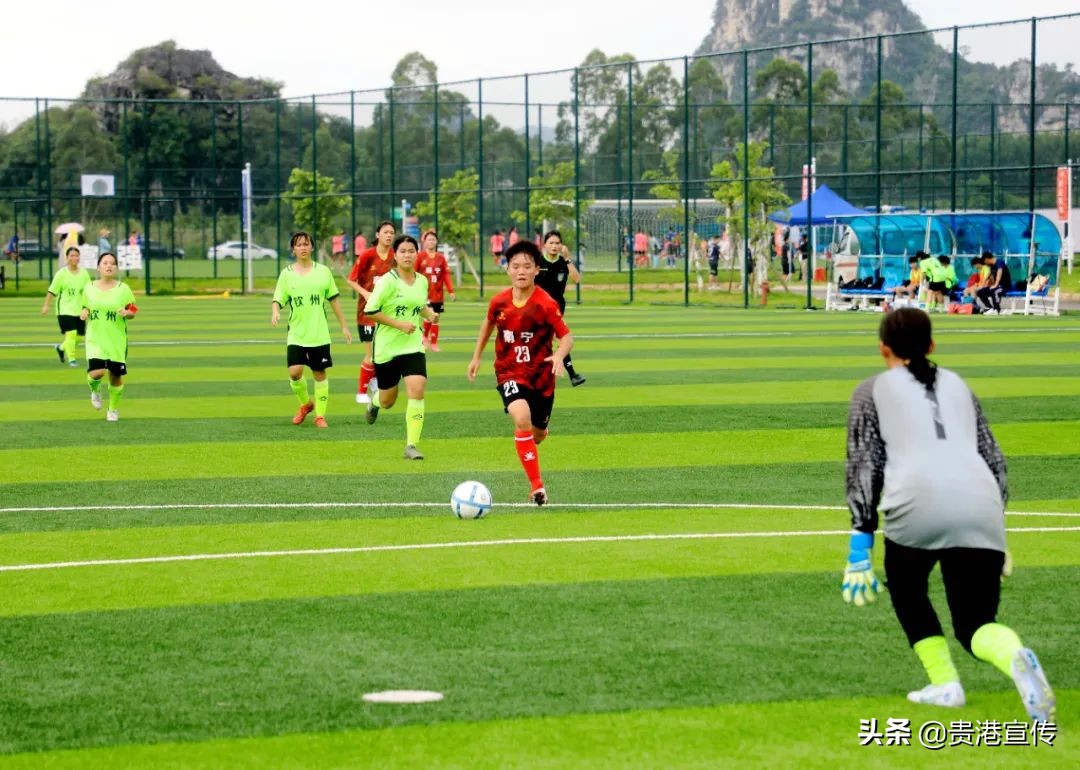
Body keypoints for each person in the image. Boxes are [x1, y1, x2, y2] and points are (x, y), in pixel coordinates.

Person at [842, 308, 1055, 723]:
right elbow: (994, 460)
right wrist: (996, 532)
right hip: (981, 508)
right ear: (932, 345)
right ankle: (1014, 654)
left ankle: (945, 684)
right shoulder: (959, 385)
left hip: (914, 507)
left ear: (883, 349)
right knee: (976, 623)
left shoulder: (871, 391)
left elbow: (865, 465)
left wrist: (860, 542)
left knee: (908, 590)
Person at [467, 240, 573, 505]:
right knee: (521, 417)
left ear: (537, 269)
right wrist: (476, 356)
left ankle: (541, 430)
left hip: (541, 377)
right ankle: (537, 487)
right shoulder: (499, 301)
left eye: (527, 266)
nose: (521, 271)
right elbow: (488, 323)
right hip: (509, 372)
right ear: (507, 269)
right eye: (515, 266)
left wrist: (559, 355)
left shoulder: (545, 303)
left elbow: (566, 336)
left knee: (537, 434)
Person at [362, 234, 438, 460]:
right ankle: (375, 401)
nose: (407, 255)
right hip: (387, 348)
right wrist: (399, 325)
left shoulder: (422, 281)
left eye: (411, 251)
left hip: (413, 346)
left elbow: (417, 306)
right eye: (402, 251)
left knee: (417, 389)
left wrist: (428, 314)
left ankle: (411, 445)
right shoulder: (387, 281)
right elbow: (370, 311)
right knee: (388, 401)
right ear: (394, 255)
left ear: (417, 254)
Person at [271, 231, 352, 428]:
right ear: (293, 249)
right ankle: (306, 404)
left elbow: (334, 300)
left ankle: (320, 416)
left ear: (312, 247)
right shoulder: (286, 274)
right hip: (296, 333)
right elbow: (278, 298)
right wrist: (275, 311)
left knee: (319, 373)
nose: (303, 248)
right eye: (299, 245)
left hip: (319, 334)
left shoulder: (323, 272)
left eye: (306, 244)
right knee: (294, 373)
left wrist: (344, 325)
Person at [80, 252, 137, 422]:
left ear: (116, 268)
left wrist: (127, 312)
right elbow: (85, 307)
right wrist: (84, 312)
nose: (109, 266)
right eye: (105, 263)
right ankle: (95, 389)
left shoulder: (123, 289)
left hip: (116, 340)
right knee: (97, 372)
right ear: (98, 267)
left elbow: (133, 309)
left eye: (112, 263)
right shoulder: (89, 287)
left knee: (115, 376)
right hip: (95, 339)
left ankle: (113, 409)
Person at [347, 221, 396, 403]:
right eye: (385, 232)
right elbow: (351, 280)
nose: (389, 235)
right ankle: (361, 392)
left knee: (384, 352)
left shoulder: (395, 256)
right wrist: (366, 293)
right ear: (377, 235)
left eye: (392, 232)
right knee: (372, 354)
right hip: (367, 313)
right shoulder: (367, 255)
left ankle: (375, 380)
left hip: (387, 312)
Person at [536, 230, 585, 387]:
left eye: (557, 243)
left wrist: (568, 258)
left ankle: (572, 375)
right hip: (538, 308)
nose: (554, 246)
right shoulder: (538, 262)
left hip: (557, 308)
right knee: (552, 340)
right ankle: (572, 375)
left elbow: (577, 279)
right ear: (544, 245)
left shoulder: (564, 262)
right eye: (551, 243)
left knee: (560, 339)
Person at [42, 246, 92, 367]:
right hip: (64, 310)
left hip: (79, 310)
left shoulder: (84, 273)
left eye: (77, 255)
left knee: (80, 337)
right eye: (71, 255)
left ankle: (61, 348)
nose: (74, 258)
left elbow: (89, 291)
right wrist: (46, 305)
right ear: (67, 258)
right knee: (71, 334)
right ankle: (72, 359)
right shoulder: (61, 274)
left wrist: (89, 307)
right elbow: (51, 291)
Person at [416, 229, 455, 352]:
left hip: (438, 294)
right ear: (424, 241)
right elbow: (414, 273)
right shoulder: (420, 256)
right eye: (429, 239)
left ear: (436, 241)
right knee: (431, 315)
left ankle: (432, 342)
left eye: (433, 239)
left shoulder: (441, 258)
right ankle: (428, 339)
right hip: (425, 294)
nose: (431, 241)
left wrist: (451, 290)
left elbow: (446, 275)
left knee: (436, 317)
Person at [977, 251, 1012, 315]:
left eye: (985, 262)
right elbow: (988, 275)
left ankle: (997, 309)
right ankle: (989, 308)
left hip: (1004, 286)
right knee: (980, 292)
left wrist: (996, 284)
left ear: (986, 259)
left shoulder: (999, 262)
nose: (985, 264)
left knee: (994, 291)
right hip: (996, 286)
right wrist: (982, 285)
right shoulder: (992, 266)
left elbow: (999, 272)